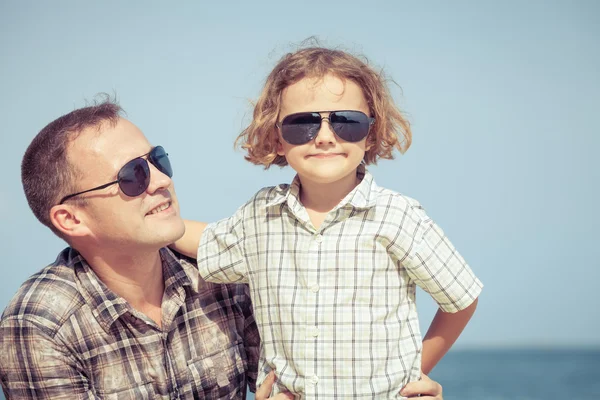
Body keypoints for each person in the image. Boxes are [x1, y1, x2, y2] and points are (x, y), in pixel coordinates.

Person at [0, 100, 445, 399]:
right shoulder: (41, 325)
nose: (160, 181)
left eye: (157, 160)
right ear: (71, 219)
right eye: (132, 176)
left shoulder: (220, 277)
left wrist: (393, 390)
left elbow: (302, 384)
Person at [173, 46, 482, 399]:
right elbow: (206, 240)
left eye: (346, 122)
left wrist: (416, 370)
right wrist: (149, 225)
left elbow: (460, 298)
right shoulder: (261, 215)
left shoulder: (397, 216)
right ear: (276, 137)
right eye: (302, 123)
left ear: (369, 132)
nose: (324, 136)